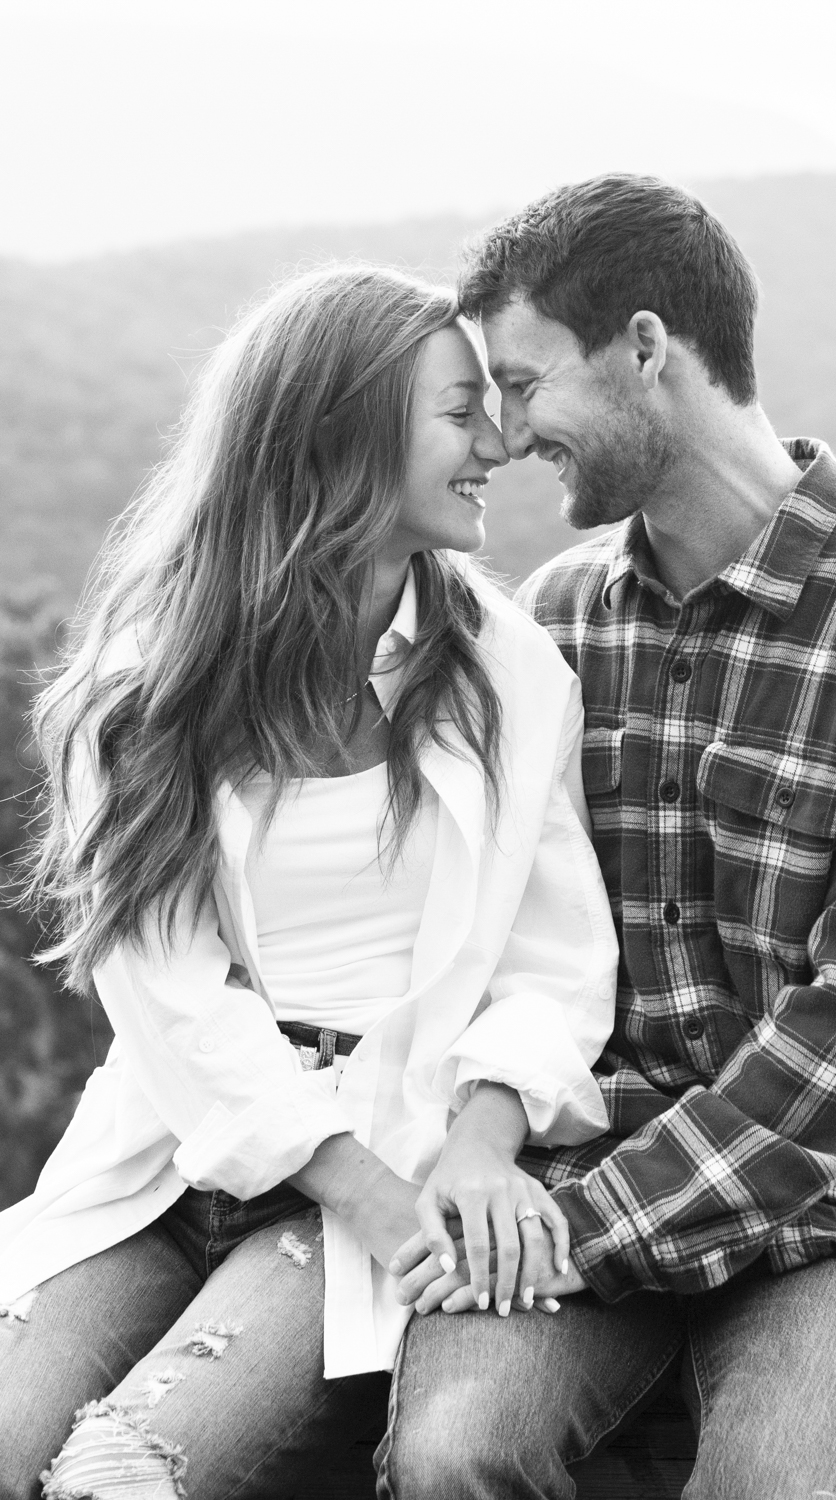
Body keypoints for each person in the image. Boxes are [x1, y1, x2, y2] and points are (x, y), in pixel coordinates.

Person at [385, 174, 836, 1499]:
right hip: (579, 1156)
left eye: (523, 381)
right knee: (445, 1458)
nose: (504, 432)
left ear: (647, 351)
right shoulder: (547, 621)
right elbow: (482, 945)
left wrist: (580, 1235)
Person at [0, 264, 619, 1499]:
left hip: (372, 1179)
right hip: (169, 1158)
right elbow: (168, 995)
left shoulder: (510, 675)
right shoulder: (147, 683)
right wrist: (376, 1197)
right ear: (343, 437)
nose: (495, 443)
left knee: (120, 1476)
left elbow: (558, 966)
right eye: (458, 413)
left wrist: (480, 1149)